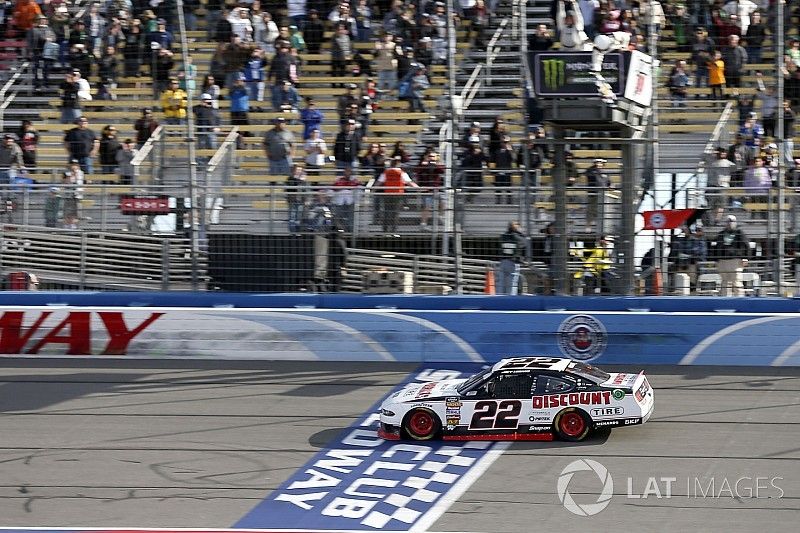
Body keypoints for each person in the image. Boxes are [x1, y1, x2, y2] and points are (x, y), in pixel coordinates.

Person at [374, 156, 419, 233]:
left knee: (386, 212)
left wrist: (373, 189)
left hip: (387, 194)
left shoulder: (386, 172)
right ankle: (393, 231)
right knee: (395, 213)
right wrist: (419, 188)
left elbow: (378, 183)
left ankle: (385, 230)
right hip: (398, 194)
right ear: (399, 164)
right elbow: (410, 183)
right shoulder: (401, 173)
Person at [715, 214, 749, 296]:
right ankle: (725, 301)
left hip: (735, 261)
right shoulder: (721, 234)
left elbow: (746, 245)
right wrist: (716, 260)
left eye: (732, 221)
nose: (730, 223)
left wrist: (745, 258)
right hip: (723, 261)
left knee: (736, 282)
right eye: (728, 221)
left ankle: (740, 300)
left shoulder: (739, 233)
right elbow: (716, 247)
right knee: (724, 283)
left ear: (735, 223)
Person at [498, 221, 526, 295]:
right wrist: (521, 233)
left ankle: (498, 298)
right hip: (513, 262)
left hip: (503, 261)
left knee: (501, 283)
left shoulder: (503, 236)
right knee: (511, 284)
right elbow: (524, 243)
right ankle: (509, 300)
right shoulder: (518, 237)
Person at [331, 168, 361, 232]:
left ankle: (350, 231)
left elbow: (359, 189)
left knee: (350, 217)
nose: (347, 173)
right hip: (339, 202)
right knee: (338, 216)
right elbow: (333, 189)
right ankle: (339, 230)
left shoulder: (355, 180)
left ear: (351, 173)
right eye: (346, 172)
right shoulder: (339, 180)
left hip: (351, 202)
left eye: (348, 172)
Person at [585, 158, 609, 227]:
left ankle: (600, 225)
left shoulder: (604, 172)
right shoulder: (590, 170)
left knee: (600, 209)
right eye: (598, 162)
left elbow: (608, 182)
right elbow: (594, 179)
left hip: (602, 194)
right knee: (591, 209)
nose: (599, 164)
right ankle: (588, 225)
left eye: (601, 163)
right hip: (593, 193)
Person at [286, 164, 309, 233]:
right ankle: (292, 232)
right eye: (297, 170)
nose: (298, 171)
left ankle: (297, 232)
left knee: (298, 217)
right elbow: (290, 189)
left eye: (300, 170)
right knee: (292, 217)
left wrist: (305, 199)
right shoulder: (290, 179)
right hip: (292, 201)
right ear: (293, 171)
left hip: (300, 201)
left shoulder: (303, 180)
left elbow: (305, 190)